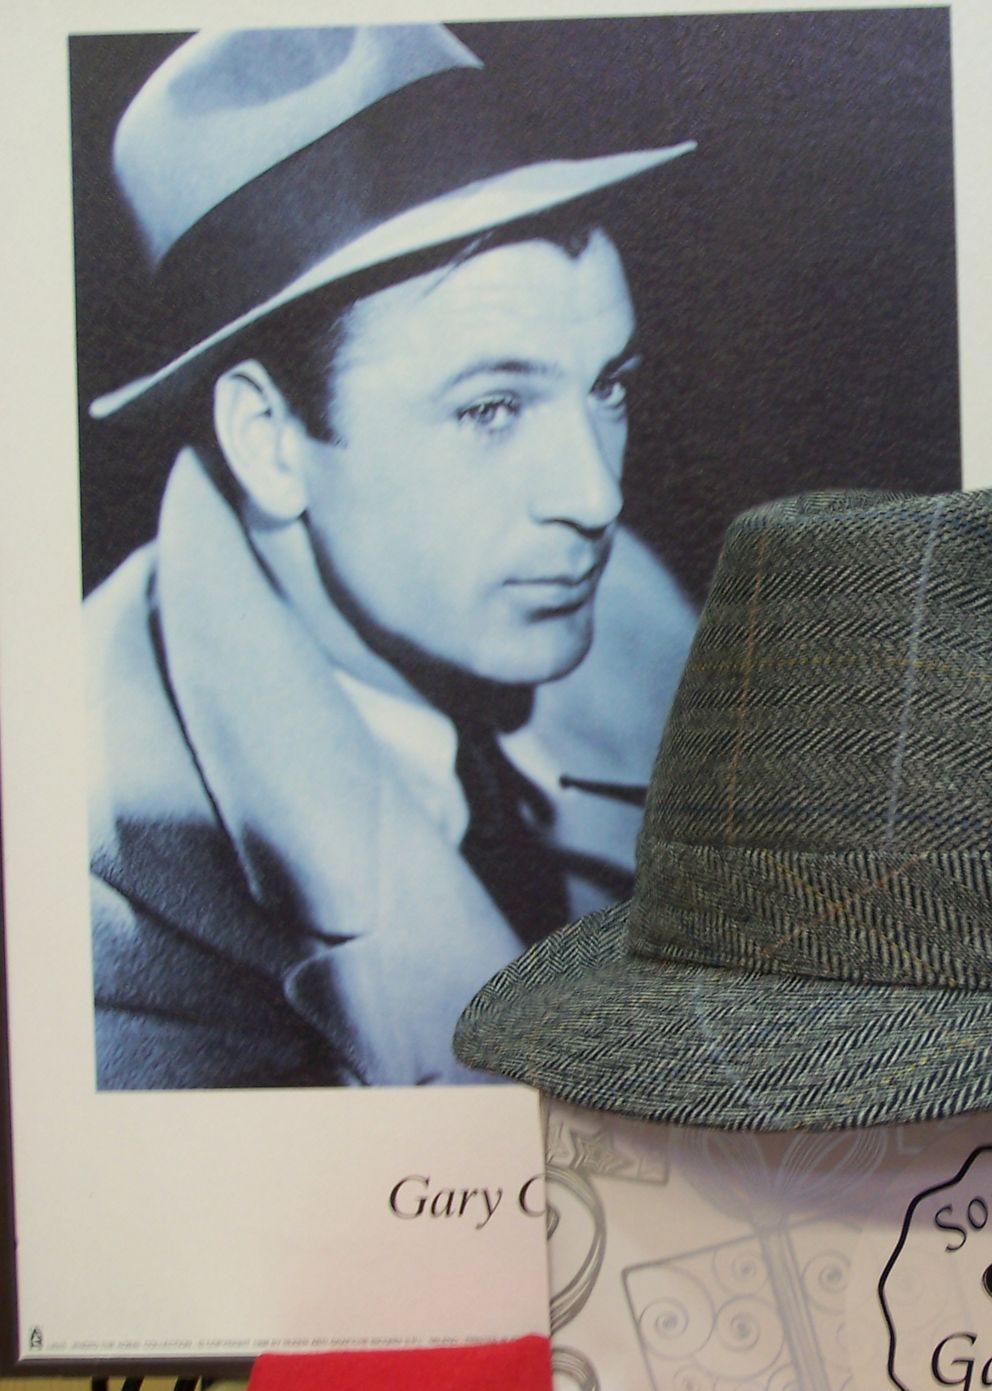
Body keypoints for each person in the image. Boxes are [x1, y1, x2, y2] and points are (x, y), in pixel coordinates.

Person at [85, 24, 698, 1087]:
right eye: (491, 408)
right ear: (269, 442)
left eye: (606, 386)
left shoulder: (633, 617)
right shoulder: (109, 892)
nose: (596, 498)